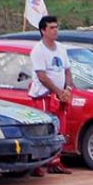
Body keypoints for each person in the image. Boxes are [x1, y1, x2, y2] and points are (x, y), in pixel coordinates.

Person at [28, 15, 73, 176]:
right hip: (44, 96)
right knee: (43, 131)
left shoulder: (61, 48)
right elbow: (42, 76)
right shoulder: (38, 50)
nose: (55, 30)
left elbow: (67, 70)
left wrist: (67, 89)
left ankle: (55, 162)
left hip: (59, 96)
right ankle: (37, 164)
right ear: (43, 30)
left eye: (56, 27)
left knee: (60, 129)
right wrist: (58, 91)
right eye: (52, 28)